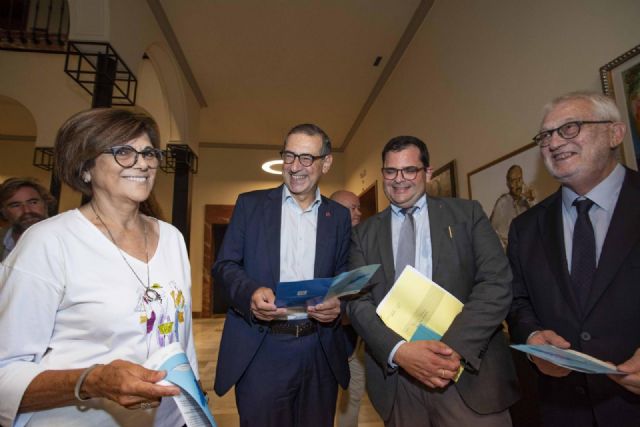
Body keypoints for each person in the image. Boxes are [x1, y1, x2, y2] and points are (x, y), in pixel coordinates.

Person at [0, 108, 198, 427]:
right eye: (123, 152)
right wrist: (93, 381)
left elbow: (182, 345)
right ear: (86, 167)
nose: (143, 162)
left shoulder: (172, 237)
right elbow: (5, 373)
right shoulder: (48, 243)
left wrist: (193, 415)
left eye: (149, 152)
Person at [348, 135, 519, 427]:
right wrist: (398, 351)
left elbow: (496, 283)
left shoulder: (468, 215)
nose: (399, 179)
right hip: (399, 384)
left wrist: (449, 351)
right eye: (390, 171)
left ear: (427, 172)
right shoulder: (363, 234)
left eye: (409, 170)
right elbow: (357, 301)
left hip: (466, 377)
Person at [507, 91, 640, 426]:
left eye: (569, 128)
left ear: (615, 133)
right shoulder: (525, 227)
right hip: (562, 408)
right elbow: (517, 300)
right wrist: (534, 338)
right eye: (545, 135)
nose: (553, 142)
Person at [212, 123, 351, 427]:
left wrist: (339, 304)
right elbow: (224, 266)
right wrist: (249, 292)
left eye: (306, 158)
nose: (295, 167)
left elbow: (344, 275)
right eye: (289, 156)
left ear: (326, 163)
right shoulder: (250, 205)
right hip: (262, 348)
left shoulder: (338, 217)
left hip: (319, 350)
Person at [330, 190, 364, 427]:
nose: (359, 213)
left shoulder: (362, 242)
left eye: (359, 207)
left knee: (354, 395)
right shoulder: (321, 244)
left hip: (357, 337)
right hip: (327, 338)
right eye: (352, 208)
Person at [0, 177, 55, 261]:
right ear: (4, 212)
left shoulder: (67, 240)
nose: (27, 210)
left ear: (45, 204)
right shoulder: (3, 240)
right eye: (16, 205)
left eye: (33, 202)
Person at [490, 165, 536, 249]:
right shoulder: (502, 203)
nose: (517, 184)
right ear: (508, 184)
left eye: (519, 179)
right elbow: (491, 232)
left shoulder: (526, 202)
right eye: (513, 181)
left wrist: (531, 200)